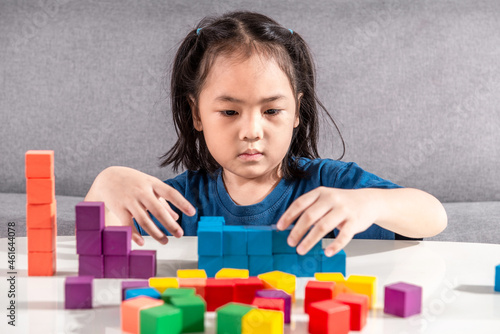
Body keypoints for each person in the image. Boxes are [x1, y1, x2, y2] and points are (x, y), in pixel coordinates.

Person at [85, 11, 447, 257]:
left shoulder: (332, 186)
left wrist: (370, 203)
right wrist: (106, 184)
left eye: (272, 111)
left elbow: (432, 218)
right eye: (229, 112)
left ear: (296, 114)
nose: (251, 131)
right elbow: (98, 253)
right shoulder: (179, 202)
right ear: (196, 113)